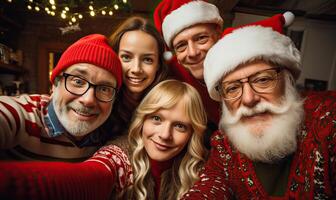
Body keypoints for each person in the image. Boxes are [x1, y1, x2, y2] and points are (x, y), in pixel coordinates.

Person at [181, 13, 336, 199]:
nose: (248, 99)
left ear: (287, 81)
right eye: (232, 88)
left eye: (262, 80)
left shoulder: (328, 118)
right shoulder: (225, 145)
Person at [0, 79, 208, 200]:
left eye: (180, 126)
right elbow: (89, 176)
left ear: (193, 133)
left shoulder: (205, 167)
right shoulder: (120, 153)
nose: (164, 134)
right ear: (142, 120)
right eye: (156, 118)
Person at [0, 34, 122, 161]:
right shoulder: (24, 115)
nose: (88, 100)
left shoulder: (109, 133)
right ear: (54, 84)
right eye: (78, 81)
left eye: (104, 89)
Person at [100, 16, 169, 145]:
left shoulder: (168, 103)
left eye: (147, 59)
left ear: (158, 64)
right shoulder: (99, 98)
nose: (136, 69)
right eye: (126, 57)